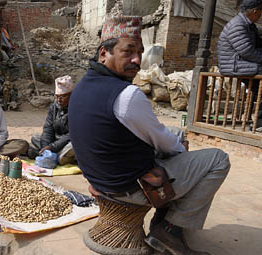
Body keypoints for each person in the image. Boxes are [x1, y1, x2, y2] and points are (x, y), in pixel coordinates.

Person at [69, 16, 230, 254]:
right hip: (127, 186)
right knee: (217, 159)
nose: (137, 60)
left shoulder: (84, 85)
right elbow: (165, 143)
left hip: (100, 176)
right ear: (104, 53)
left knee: (174, 134)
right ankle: (170, 229)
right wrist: (180, 151)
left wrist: (174, 145)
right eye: (128, 51)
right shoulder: (127, 95)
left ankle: (170, 212)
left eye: (140, 52)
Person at [217, 0, 262, 130]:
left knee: (258, 90)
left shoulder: (248, 24)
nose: (260, 15)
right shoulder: (238, 25)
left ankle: (256, 122)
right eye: (260, 12)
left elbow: (256, 45)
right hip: (234, 65)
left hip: (244, 63)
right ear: (255, 11)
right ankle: (259, 124)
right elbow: (247, 51)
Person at [28, 75, 76, 166]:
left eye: (62, 97)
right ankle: (53, 155)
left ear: (71, 95)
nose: (59, 100)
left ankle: (56, 156)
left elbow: (71, 134)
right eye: (57, 97)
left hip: (68, 141)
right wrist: (45, 146)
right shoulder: (54, 107)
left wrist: (52, 147)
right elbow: (48, 128)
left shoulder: (77, 108)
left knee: (73, 146)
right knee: (36, 137)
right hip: (55, 140)